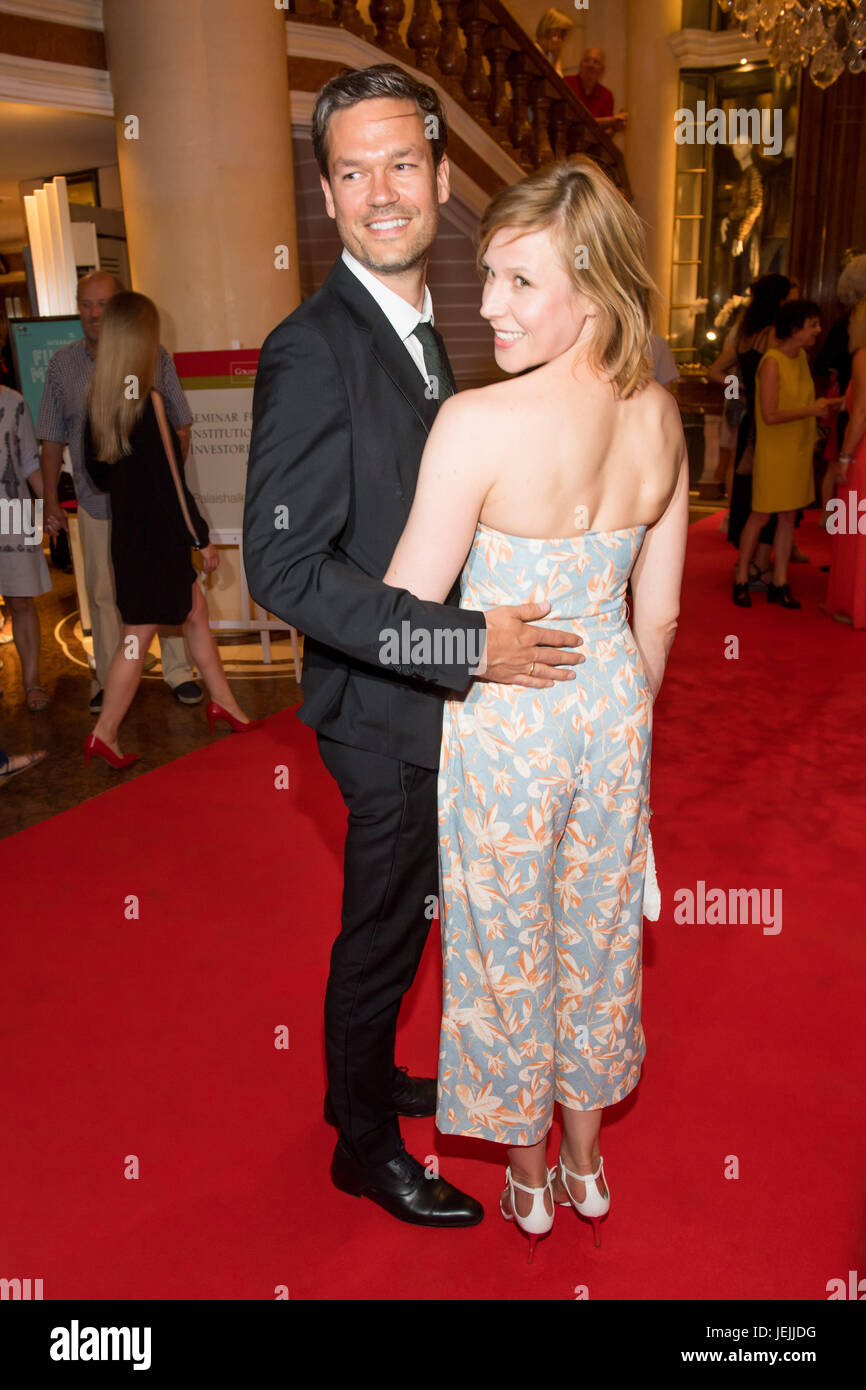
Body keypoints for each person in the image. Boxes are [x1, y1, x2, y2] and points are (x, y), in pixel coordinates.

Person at [243, 64, 583, 1230]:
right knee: (382, 925)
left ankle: (368, 1076)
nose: (378, 190)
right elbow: (282, 569)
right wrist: (461, 642)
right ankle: (361, 1143)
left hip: (430, 699)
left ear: (442, 180)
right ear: (327, 196)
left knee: (409, 918)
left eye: (400, 164)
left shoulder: (430, 332)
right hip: (380, 714)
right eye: (351, 171)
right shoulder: (311, 347)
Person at [382, 155, 688, 1259]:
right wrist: (614, 717)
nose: (486, 305)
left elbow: (398, 627)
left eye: (519, 283)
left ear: (593, 290)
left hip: (507, 726)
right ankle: (586, 1162)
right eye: (486, 279)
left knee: (509, 948)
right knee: (598, 942)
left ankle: (527, 1186)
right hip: (612, 715)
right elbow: (655, 620)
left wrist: (476, 651)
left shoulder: (474, 421)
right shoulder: (660, 420)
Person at [82, 292, 260, 769]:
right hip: (159, 542)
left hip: (129, 540)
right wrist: (201, 539)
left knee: (195, 613)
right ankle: (105, 732)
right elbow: (172, 486)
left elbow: (97, 479)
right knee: (137, 639)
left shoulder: (99, 403)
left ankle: (225, 703)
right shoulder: (149, 401)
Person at [38, 270, 203, 715]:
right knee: (106, 597)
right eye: (86, 304)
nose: (94, 314)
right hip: (98, 506)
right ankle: (110, 681)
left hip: (152, 513)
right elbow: (51, 439)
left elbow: (181, 427)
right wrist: (52, 502)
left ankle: (177, 672)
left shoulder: (156, 358)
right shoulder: (62, 367)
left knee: (169, 593)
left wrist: (159, 487)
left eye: (104, 304)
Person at [733, 300, 839, 609]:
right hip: (775, 451)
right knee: (761, 514)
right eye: (813, 325)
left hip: (798, 449)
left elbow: (801, 402)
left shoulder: (801, 358)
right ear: (795, 329)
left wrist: (825, 406)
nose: (818, 331)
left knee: (788, 516)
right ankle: (741, 576)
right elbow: (769, 414)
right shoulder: (772, 362)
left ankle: (780, 581)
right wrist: (813, 408)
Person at [708, 274, 794, 582]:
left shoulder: (747, 334)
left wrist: (741, 391)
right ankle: (759, 563)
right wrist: (747, 393)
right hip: (770, 425)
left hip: (751, 421)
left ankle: (752, 563)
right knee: (771, 493)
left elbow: (716, 371)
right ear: (780, 301)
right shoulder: (774, 336)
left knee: (752, 491)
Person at [0, 385, 51, 710]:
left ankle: (32, 682)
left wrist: (51, 506)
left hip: (14, 511)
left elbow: (31, 460)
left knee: (21, 600)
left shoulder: (14, 401)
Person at [824, 294, 866, 626]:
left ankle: (855, 603)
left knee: (854, 525)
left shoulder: (863, 357)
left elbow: (863, 412)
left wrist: (846, 456)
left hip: (862, 454)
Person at [565, 48, 628, 136]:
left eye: (596, 62)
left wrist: (615, 127)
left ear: (602, 70)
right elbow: (573, 121)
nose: (590, 65)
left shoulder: (606, 95)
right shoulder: (566, 83)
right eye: (587, 60)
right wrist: (611, 121)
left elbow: (605, 134)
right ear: (580, 65)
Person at [534, 8, 573, 78]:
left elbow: (558, 85)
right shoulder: (534, 51)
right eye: (561, 32)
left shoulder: (550, 56)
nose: (562, 39)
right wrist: (557, 61)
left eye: (563, 34)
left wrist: (557, 60)